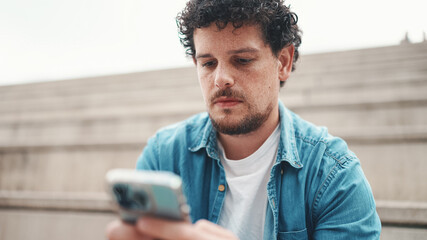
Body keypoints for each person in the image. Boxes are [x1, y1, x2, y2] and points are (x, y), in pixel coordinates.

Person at [107, 0, 382, 239]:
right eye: (208, 63)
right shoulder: (163, 156)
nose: (220, 78)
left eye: (242, 60)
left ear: (283, 62)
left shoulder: (334, 176)